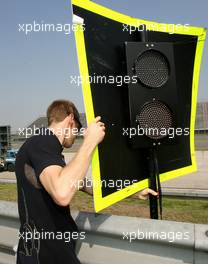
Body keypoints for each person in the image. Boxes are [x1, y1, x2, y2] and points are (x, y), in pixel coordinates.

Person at [15, 99, 158, 264]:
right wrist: (90, 141)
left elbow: (86, 185)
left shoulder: (44, 151)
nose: (76, 136)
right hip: (46, 256)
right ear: (70, 120)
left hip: (40, 254)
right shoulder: (43, 141)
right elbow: (62, 194)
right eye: (77, 129)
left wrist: (133, 191)